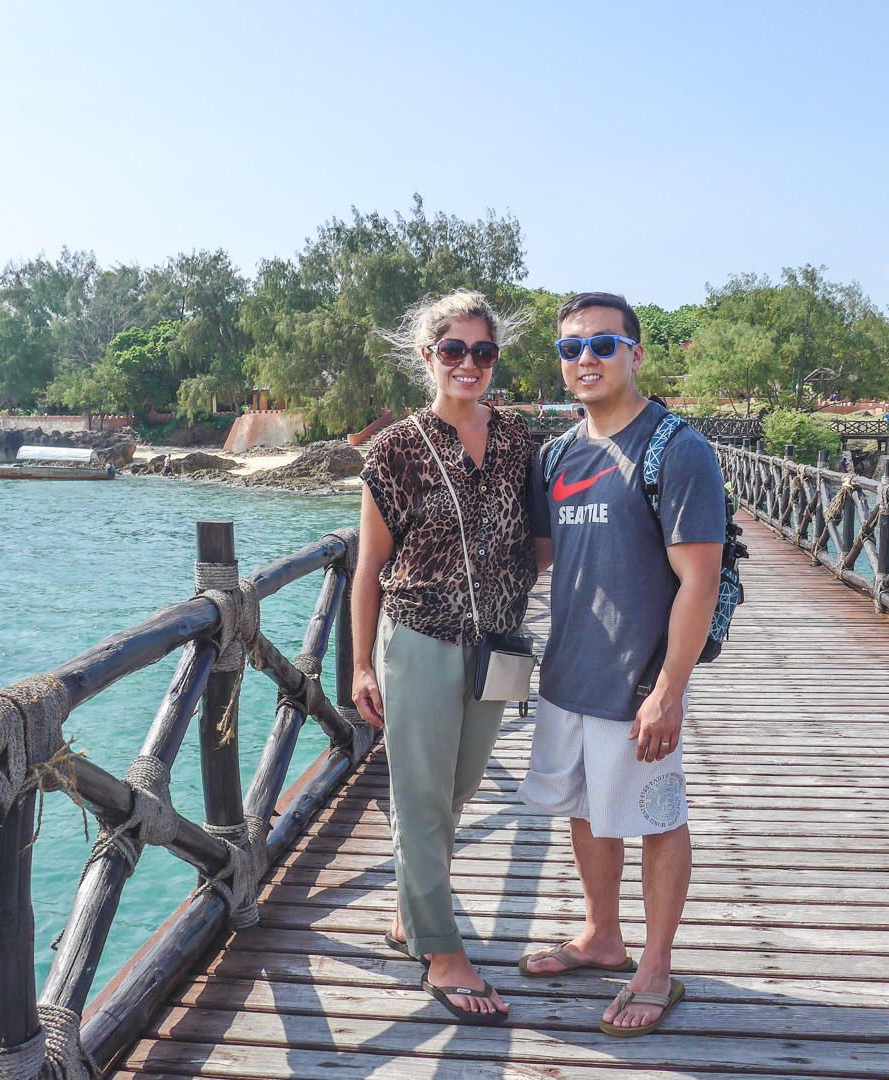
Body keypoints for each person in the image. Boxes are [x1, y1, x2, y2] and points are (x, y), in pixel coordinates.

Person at [517, 292, 724, 1038]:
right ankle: (602, 935)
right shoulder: (556, 454)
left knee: (657, 818)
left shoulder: (677, 448)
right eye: (571, 348)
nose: (585, 360)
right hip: (568, 675)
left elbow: (699, 579)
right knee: (583, 808)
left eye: (602, 345)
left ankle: (657, 966)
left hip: (639, 680)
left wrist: (669, 690)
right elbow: (540, 559)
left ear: (635, 353)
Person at [351, 289, 537, 1024]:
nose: (469, 364)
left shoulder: (519, 438)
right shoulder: (396, 448)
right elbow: (368, 568)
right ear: (428, 357)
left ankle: (407, 912)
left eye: (482, 351)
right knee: (422, 797)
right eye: (454, 350)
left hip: (506, 639)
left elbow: (546, 534)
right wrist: (362, 665)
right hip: (422, 639)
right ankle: (442, 950)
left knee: (458, 790)